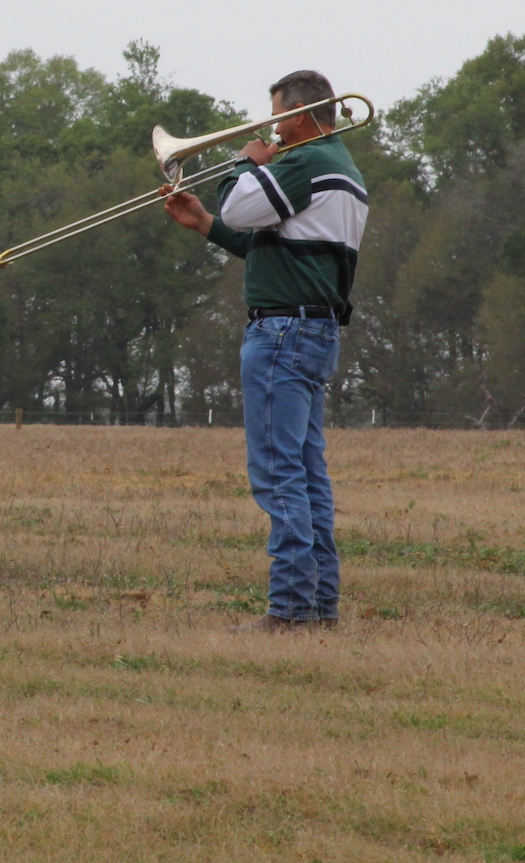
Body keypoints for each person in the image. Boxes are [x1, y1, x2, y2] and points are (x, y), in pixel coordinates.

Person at [163, 70, 368, 631]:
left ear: (299, 116)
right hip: (310, 331)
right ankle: (319, 606)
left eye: (276, 117)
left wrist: (246, 164)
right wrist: (203, 222)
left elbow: (241, 207)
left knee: (278, 476)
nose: (270, 128)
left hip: (281, 335)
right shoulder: (341, 166)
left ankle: (290, 610)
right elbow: (273, 245)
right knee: (305, 474)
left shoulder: (304, 160)